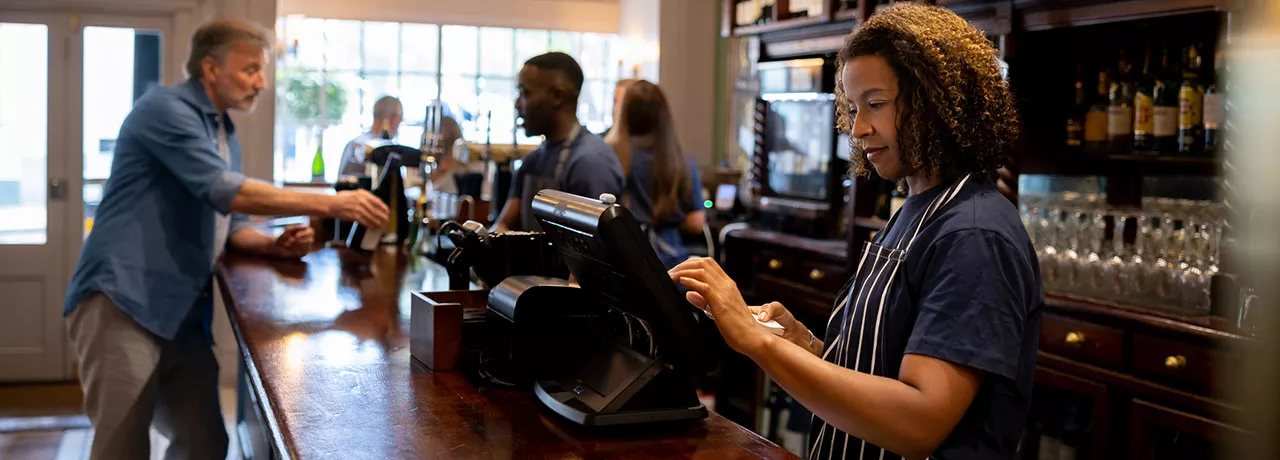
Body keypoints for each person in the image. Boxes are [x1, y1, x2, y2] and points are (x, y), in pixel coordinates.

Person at [669, 4, 1040, 459]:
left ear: (935, 101)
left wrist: (759, 342)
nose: (860, 128)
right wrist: (802, 343)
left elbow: (919, 422)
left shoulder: (975, 235)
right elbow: (877, 371)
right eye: (853, 108)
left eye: (876, 104)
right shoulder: (916, 210)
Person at [62, 19, 388, 460]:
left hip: (181, 311)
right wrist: (332, 203)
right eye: (251, 69)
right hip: (123, 300)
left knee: (205, 442)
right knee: (122, 447)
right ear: (211, 69)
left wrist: (273, 246)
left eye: (262, 70)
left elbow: (231, 225)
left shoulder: (222, 131)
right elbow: (226, 190)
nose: (262, 83)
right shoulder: (165, 109)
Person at [493, 52, 624, 232]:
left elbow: (599, 248)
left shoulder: (591, 162)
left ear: (557, 96)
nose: (517, 103)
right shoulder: (532, 161)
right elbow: (506, 223)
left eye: (525, 93)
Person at [605, 80, 706, 269]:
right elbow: (696, 222)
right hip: (670, 264)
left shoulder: (608, 156)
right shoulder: (680, 160)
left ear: (624, 112)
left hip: (622, 260)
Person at [338, 95, 402, 176]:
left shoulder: (354, 144)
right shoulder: (390, 150)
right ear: (393, 118)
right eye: (399, 118)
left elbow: (341, 180)